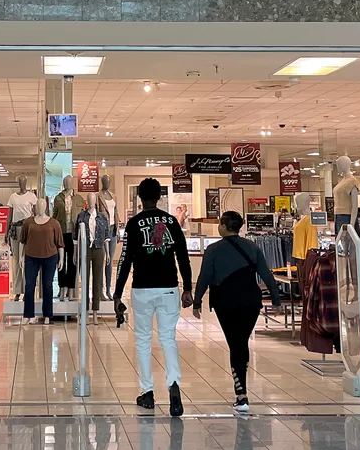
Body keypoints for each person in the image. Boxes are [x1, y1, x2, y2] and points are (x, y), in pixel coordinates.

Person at [113, 178, 193, 416]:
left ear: (139, 197)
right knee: (168, 339)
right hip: (169, 288)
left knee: (143, 340)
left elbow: (125, 260)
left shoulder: (134, 223)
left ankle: (147, 392)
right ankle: (174, 387)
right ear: (160, 196)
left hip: (143, 289)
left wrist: (117, 294)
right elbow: (183, 256)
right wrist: (188, 288)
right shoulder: (171, 222)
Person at [192, 211, 281, 413]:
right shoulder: (253, 247)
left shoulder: (213, 250)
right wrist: (275, 299)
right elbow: (266, 274)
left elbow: (204, 276)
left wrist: (197, 302)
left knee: (236, 343)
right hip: (250, 301)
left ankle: (241, 394)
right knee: (240, 342)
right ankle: (241, 390)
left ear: (223, 226)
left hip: (225, 302)